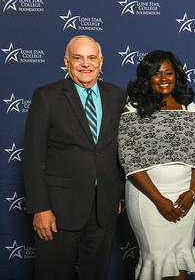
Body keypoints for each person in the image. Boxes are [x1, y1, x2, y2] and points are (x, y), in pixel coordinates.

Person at [23, 35, 126, 280]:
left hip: (104, 209)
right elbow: (33, 157)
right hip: (58, 211)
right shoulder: (47, 96)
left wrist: (117, 193)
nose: (85, 64)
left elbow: (120, 150)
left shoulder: (117, 96)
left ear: (100, 62)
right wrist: (40, 208)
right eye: (77, 58)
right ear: (67, 63)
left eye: (91, 58)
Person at [118, 50, 195, 280]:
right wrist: (160, 201)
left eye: (169, 73)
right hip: (148, 199)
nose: (164, 79)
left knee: (179, 257)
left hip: (186, 197)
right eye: (156, 74)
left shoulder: (190, 108)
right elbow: (130, 160)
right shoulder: (133, 109)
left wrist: (192, 193)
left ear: (177, 76)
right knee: (156, 258)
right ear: (146, 78)